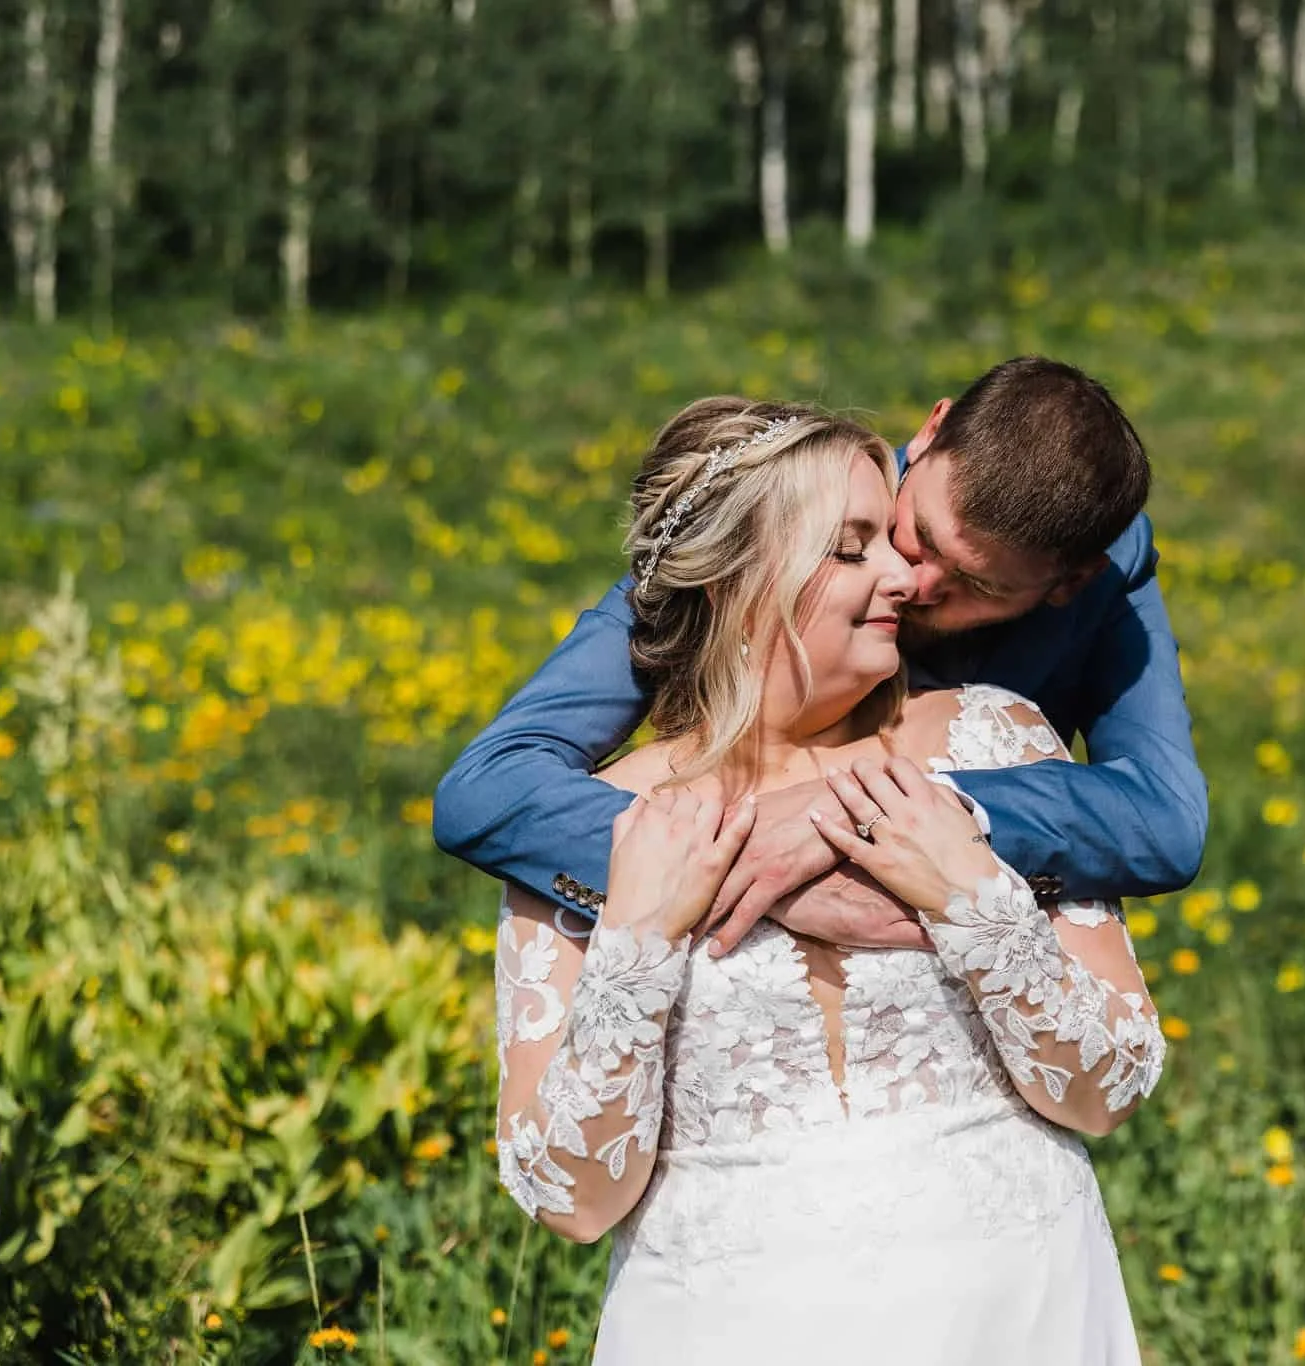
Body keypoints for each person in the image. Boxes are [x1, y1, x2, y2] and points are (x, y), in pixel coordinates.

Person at [491, 399, 1166, 1363]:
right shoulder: (595, 828)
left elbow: (1111, 1086)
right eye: (853, 549)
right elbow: (572, 1200)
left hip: (1020, 1315)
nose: (903, 574)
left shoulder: (995, 743)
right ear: (738, 581)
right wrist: (637, 943)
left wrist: (972, 899)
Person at [436, 356, 1207, 955]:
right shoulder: (781, 522)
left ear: (1068, 583)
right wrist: (741, 874)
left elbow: (1164, 822)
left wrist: (869, 817)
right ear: (932, 432)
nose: (914, 580)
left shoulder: (1111, 575)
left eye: (975, 584)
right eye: (922, 536)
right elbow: (489, 788)